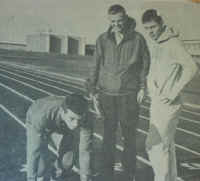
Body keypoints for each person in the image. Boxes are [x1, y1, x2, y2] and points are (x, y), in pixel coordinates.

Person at [87, 4, 150, 181]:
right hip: (107, 94)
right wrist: (92, 90)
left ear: (126, 18)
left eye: (120, 21)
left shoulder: (138, 39)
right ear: (109, 21)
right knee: (108, 134)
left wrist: (143, 87)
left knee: (129, 135)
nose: (117, 25)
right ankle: (106, 173)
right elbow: (95, 66)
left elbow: (145, 66)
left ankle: (129, 172)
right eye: (113, 21)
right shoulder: (102, 39)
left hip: (129, 95)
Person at [142, 9, 198, 181]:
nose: (150, 31)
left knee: (155, 145)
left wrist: (173, 92)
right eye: (147, 28)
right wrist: (148, 88)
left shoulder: (173, 43)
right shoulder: (155, 43)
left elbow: (192, 67)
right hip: (157, 102)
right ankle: (170, 178)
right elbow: (154, 71)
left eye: (153, 27)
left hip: (168, 103)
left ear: (161, 24)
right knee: (166, 145)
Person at [26, 93, 93, 181]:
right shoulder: (40, 116)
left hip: (63, 127)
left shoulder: (86, 118)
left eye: (79, 120)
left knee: (67, 162)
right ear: (63, 111)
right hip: (42, 123)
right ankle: (45, 168)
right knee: (40, 168)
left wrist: (85, 177)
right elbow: (34, 151)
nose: (76, 124)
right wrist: (31, 178)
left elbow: (85, 151)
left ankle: (56, 170)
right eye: (72, 119)